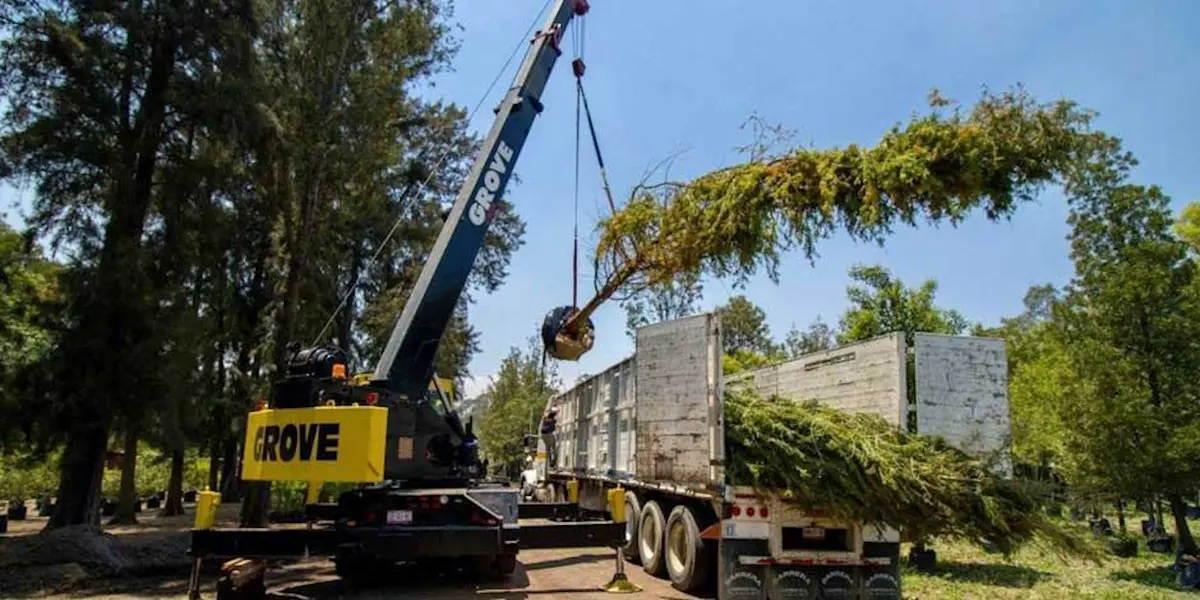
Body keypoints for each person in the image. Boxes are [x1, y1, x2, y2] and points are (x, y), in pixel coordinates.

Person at [540, 404, 559, 468]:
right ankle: (554, 460)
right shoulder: (553, 420)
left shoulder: (545, 418)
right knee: (553, 447)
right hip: (549, 434)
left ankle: (550, 461)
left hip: (543, 434)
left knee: (548, 448)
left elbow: (544, 415)